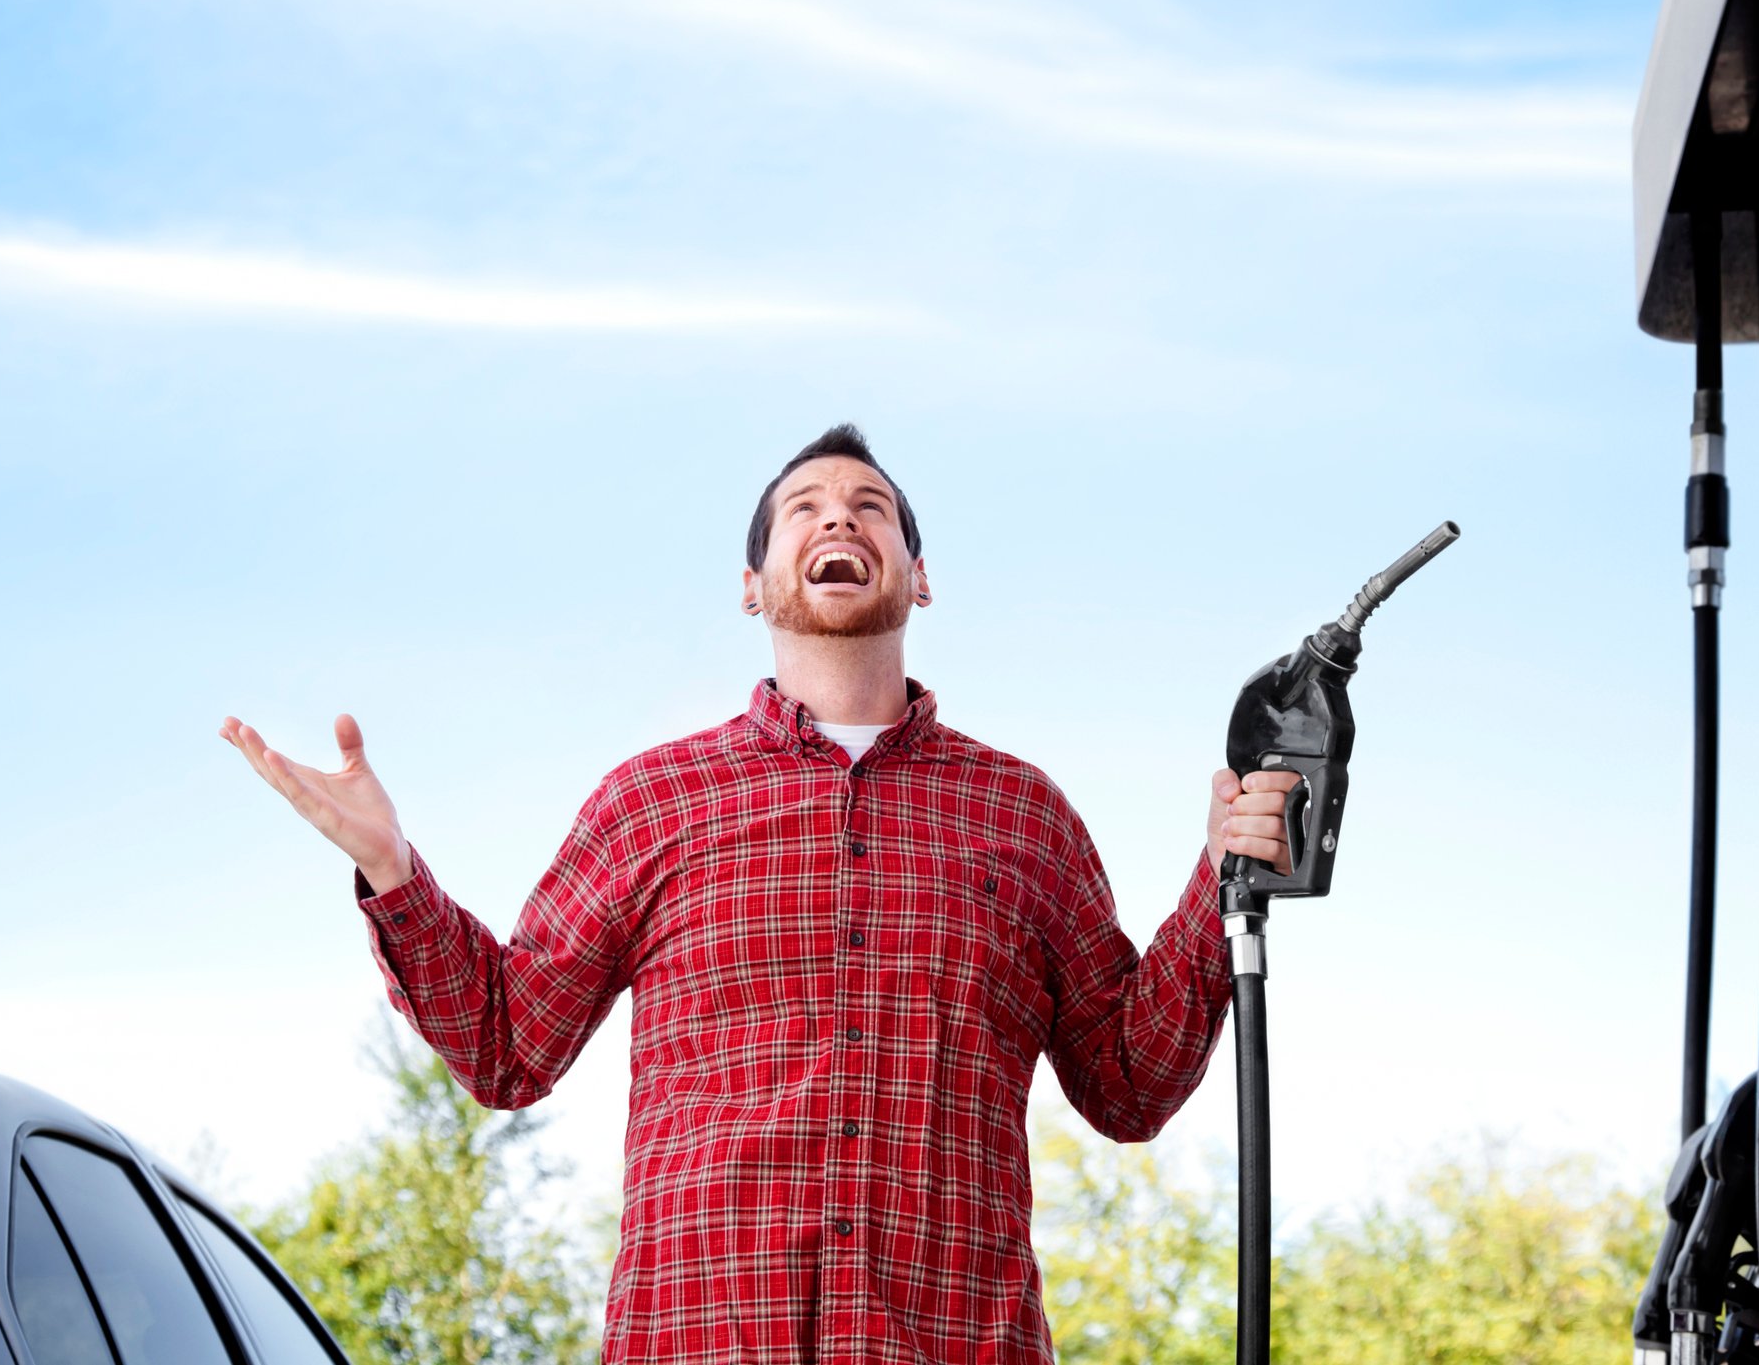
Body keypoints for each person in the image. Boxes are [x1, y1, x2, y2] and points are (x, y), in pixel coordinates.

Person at [220, 425, 1301, 1363]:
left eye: (870, 506)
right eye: (806, 508)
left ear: (918, 575)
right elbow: (510, 1045)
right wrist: (392, 871)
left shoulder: (1024, 817)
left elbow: (1129, 1085)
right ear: (754, 585)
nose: (841, 517)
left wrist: (1221, 878)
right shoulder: (653, 803)